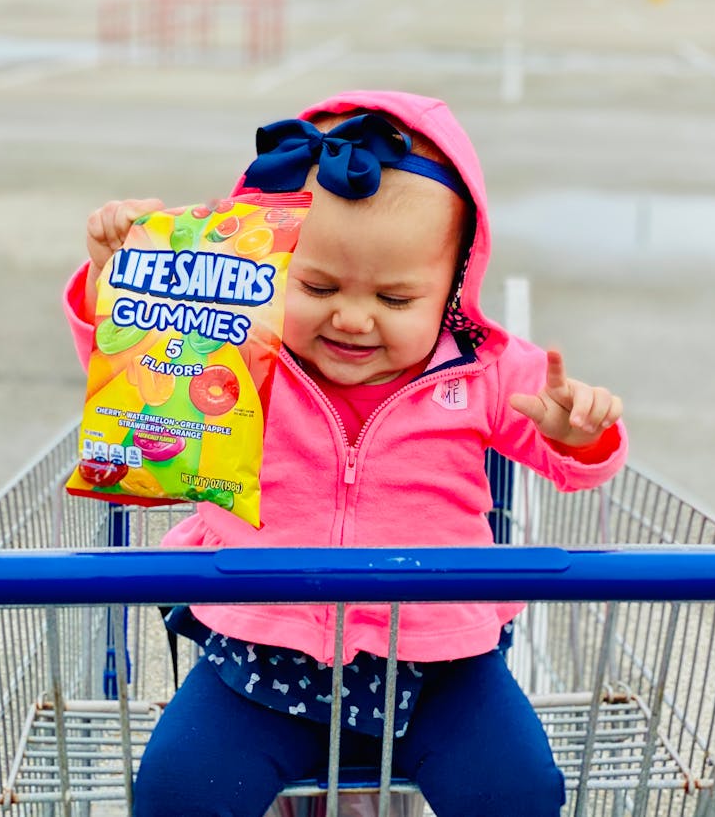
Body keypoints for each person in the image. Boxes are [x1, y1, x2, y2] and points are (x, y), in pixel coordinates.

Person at [65, 90, 626, 817]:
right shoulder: (235, 354)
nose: (353, 318)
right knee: (177, 790)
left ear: (452, 288)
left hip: (441, 664)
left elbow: (570, 460)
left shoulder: (484, 371)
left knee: (517, 789)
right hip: (262, 658)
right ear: (270, 269)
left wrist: (575, 433)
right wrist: (123, 282)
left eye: (395, 300)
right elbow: (139, 376)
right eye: (319, 286)